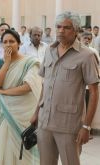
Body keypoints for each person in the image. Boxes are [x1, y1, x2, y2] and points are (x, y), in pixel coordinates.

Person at [30, 11, 99, 165]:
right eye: (58, 27)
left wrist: (87, 126)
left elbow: (94, 92)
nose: (61, 31)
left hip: (69, 125)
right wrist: (36, 112)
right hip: (44, 122)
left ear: (76, 30)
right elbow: (45, 84)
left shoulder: (87, 55)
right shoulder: (49, 50)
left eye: (66, 27)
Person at [0, 29, 41, 165]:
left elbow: (28, 86)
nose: (8, 44)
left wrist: (5, 92)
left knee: (25, 153)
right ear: (1, 45)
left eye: (11, 41)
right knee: (5, 148)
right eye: (5, 42)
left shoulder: (30, 62)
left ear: (19, 44)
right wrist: (6, 63)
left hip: (25, 116)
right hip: (6, 115)